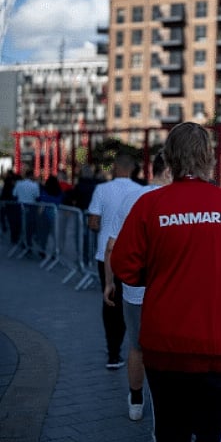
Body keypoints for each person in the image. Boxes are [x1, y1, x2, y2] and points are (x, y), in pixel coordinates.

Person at [111, 122, 221, 441]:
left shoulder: (150, 205)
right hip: (218, 342)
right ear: (208, 158)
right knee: (215, 429)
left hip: (164, 343)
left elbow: (123, 264)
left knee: (170, 430)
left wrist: (156, 274)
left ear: (169, 158)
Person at [103, 153, 171, 421]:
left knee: (137, 346)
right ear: (168, 172)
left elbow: (111, 245)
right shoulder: (173, 200)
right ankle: (165, 402)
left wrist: (109, 282)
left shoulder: (132, 200)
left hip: (134, 290)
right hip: (168, 289)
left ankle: (136, 398)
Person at [87, 153, 141, 370]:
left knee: (110, 301)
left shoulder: (102, 189)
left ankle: (113, 352)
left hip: (105, 254)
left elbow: (93, 221)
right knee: (131, 301)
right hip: (132, 255)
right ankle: (134, 346)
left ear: (116, 168)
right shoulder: (139, 191)